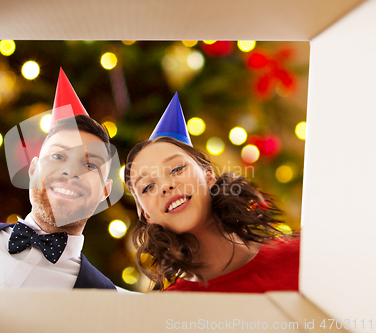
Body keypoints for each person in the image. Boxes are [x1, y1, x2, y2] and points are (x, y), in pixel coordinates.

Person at [0, 68, 122, 291]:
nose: (69, 171)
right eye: (58, 156)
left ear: (105, 192)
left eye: (89, 165)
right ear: (33, 169)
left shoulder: (108, 300)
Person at [124, 93, 300, 292]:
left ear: (208, 176)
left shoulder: (304, 254)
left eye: (176, 169)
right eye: (147, 187)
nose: (165, 186)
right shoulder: (169, 310)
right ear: (146, 215)